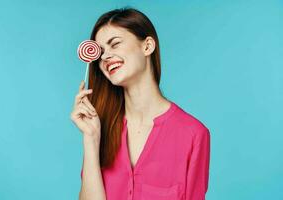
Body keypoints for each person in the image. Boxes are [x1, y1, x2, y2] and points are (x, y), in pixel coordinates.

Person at [70, 7, 210, 200]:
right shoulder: (101, 128)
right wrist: (91, 138)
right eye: (100, 51)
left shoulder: (193, 134)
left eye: (115, 44)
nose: (104, 57)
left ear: (147, 46)